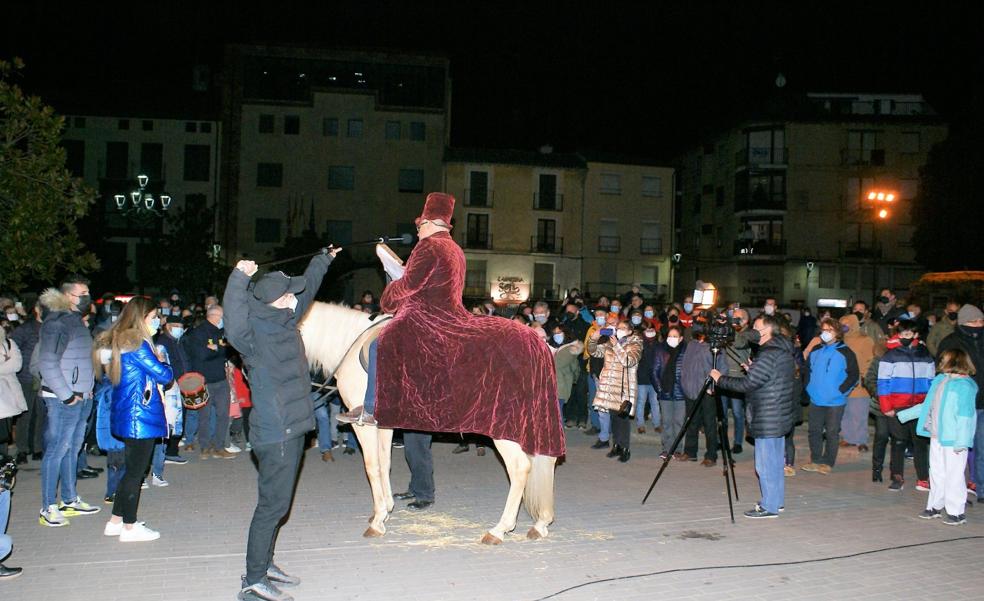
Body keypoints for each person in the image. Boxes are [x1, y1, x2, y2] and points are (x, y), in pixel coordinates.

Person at [224, 245, 337, 601]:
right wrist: (239, 277)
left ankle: (265, 563)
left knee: (277, 505)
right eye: (290, 294)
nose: (296, 299)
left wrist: (323, 258)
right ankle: (253, 581)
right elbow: (233, 316)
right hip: (277, 433)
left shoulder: (284, 318)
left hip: (293, 428)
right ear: (277, 299)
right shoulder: (252, 336)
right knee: (272, 507)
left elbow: (311, 286)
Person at [97, 297, 172, 542]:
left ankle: (116, 521)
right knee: (135, 473)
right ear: (141, 318)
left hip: (128, 413)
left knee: (131, 470)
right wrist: (162, 361)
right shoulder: (137, 344)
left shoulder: (121, 341)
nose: (158, 322)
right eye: (153, 317)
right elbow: (164, 375)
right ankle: (129, 527)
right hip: (139, 415)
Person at [711, 313, 798, 519]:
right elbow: (769, 378)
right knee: (776, 463)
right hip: (778, 414)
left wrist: (719, 379)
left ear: (767, 330)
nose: (752, 330)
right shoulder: (782, 350)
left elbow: (747, 385)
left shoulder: (768, 353)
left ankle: (769, 506)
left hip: (767, 415)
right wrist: (753, 369)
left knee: (765, 465)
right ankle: (776, 501)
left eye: (756, 327)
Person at [37, 277, 100, 527]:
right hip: (64, 399)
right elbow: (48, 362)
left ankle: (69, 499)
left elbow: (80, 360)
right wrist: (67, 395)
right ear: (67, 297)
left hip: (80, 396)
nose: (87, 297)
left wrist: (87, 389)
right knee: (56, 450)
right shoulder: (57, 322)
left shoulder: (75, 322)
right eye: (82, 293)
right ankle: (48, 507)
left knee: (72, 449)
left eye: (88, 292)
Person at [897, 349, 978, 525]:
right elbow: (928, 406)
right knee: (937, 473)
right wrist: (904, 415)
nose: (941, 361)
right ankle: (934, 506)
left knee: (954, 475)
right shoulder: (941, 380)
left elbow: (966, 415)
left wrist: (962, 441)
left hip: (954, 439)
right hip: (936, 435)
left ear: (955, 361)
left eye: (945, 359)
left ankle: (956, 511)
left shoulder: (965, 386)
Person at [877, 320, 935, 492]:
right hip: (897, 406)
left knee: (920, 443)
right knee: (899, 441)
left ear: (916, 335)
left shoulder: (925, 355)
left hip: (919, 406)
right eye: (901, 334)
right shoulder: (890, 355)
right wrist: (886, 406)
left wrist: (929, 404)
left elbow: (932, 381)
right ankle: (897, 476)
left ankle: (923, 478)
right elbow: (883, 383)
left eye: (908, 335)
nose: (903, 338)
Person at [935, 304, 984, 502]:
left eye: (981, 321)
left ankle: (981, 488)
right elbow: (942, 371)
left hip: (982, 404)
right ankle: (954, 492)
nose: (979, 325)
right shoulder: (951, 342)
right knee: (955, 451)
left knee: (981, 448)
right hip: (957, 405)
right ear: (964, 323)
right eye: (974, 322)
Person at [801, 317, 859, 474]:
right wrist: (808, 387)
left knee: (832, 432)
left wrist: (840, 391)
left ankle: (828, 462)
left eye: (829, 330)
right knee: (814, 431)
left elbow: (854, 376)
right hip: (816, 398)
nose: (825, 333)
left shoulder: (845, 352)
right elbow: (807, 370)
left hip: (835, 401)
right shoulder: (815, 350)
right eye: (823, 330)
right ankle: (815, 460)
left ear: (837, 332)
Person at [589, 319, 643, 462]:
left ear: (630, 331)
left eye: (623, 328)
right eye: (618, 327)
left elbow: (628, 361)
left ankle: (625, 448)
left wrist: (617, 346)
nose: (619, 330)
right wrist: (594, 338)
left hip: (623, 389)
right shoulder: (609, 343)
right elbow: (593, 352)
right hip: (609, 387)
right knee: (613, 419)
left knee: (623, 420)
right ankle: (616, 446)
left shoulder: (636, 344)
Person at [186, 304, 235, 460]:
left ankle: (219, 446)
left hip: (221, 380)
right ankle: (205, 447)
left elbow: (227, 350)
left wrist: (215, 349)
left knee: (223, 415)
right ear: (216, 316)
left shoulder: (222, 332)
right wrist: (214, 350)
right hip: (204, 382)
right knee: (204, 417)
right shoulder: (198, 333)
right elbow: (200, 355)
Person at [10, 297, 41, 464]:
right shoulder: (25, 329)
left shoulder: (51, 328)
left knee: (42, 416)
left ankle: (38, 448)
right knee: (25, 416)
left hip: (45, 378)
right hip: (27, 377)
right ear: (37, 309)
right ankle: (22, 450)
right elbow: (14, 347)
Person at [838, 314, 875, 451]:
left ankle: (861, 440)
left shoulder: (865, 339)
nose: (844, 326)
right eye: (842, 323)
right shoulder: (840, 340)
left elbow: (870, 360)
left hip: (859, 383)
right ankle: (848, 437)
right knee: (845, 412)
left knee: (859, 413)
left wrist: (865, 377)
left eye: (847, 323)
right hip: (842, 381)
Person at [651, 326, 687, 459]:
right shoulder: (660, 350)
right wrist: (660, 389)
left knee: (678, 422)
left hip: (680, 393)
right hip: (665, 392)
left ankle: (678, 449)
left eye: (675, 336)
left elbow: (688, 372)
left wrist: (686, 388)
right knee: (666, 422)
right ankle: (667, 448)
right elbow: (654, 371)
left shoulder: (685, 351)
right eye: (669, 336)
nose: (671, 339)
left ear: (681, 338)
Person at [720, 308, 753, 454]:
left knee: (738, 413)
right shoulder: (728, 330)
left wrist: (729, 327)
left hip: (738, 378)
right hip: (723, 376)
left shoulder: (749, 334)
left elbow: (739, 343)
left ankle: (738, 442)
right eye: (732, 317)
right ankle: (722, 441)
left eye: (736, 318)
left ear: (745, 320)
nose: (733, 319)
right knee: (722, 414)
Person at [635, 322, 660, 434]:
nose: (649, 332)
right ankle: (640, 424)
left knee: (654, 402)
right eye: (647, 330)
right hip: (642, 378)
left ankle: (657, 424)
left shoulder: (659, 345)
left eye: (651, 330)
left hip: (654, 379)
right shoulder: (639, 344)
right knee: (641, 401)